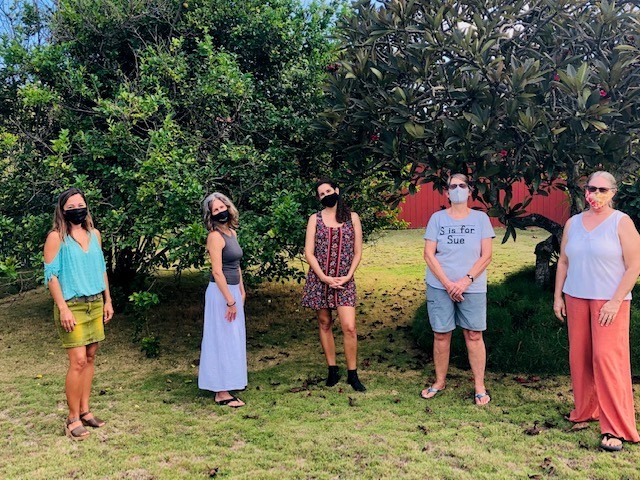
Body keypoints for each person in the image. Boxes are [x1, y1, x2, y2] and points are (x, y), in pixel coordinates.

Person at [554, 171, 640, 452]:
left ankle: (616, 427)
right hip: (576, 297)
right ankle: (585, 410)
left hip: (609, 302)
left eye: (603, 189)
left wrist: (615, 302)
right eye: (592, 188)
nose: (596, 194)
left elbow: (634, 267)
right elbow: (563, 261)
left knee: (607, 359)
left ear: (614, 192)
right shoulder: (573, 223)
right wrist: (558, 296)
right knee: (579, 357)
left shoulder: (621, 222)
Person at [43, 187, 114, 440]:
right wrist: (63, 308)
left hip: (95, 303)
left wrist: (107, 300)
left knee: (91, 357)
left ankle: (85, 411)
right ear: (62, 211)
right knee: (78, 361)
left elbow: (101, 269)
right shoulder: (56, 238)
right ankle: (72, 418)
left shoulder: (95, 235)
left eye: (80, 205)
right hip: (72, 305)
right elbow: (51, 276)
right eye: (71, 207)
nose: (77, 210)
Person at [420, 173, 495, 405]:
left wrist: (465, 281)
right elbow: (428, 254)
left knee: (474, 335)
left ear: (470, 190)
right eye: (453, 186)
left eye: (462, 185)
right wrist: (447, 283)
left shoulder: (481, 219)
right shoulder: (437, 219)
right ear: (447, 192)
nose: (458, 189)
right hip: (440, 286)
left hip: (472, 287)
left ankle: (479, 385)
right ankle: (439, 381)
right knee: (441, 334)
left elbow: (486, 255)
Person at [302, 178, 366, 391]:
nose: (326, 196)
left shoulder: (352, 217)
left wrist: (348, 276)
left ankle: (352, 374)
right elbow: (309, 252)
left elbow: (358, 251)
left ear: (337, 190)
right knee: (324, 323)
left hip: (344, 279)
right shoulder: (315, 219)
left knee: (349, 327)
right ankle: (332, 369)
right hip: (320, 279)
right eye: (321, 194)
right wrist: (323, 277)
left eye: (328, 191)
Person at [198, 192, 247, 407]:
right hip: (221, 294)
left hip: (233, 292)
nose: (220, 212)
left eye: (222, 207)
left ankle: (229, 381)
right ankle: (220, 392)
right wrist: (229, 301)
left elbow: (236, 266)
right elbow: (217, 272)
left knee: (232, 339)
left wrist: (241, 292)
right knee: (221, 338)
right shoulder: (215, 237)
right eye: (215, 210)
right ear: (210, 215)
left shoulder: (232, 233)